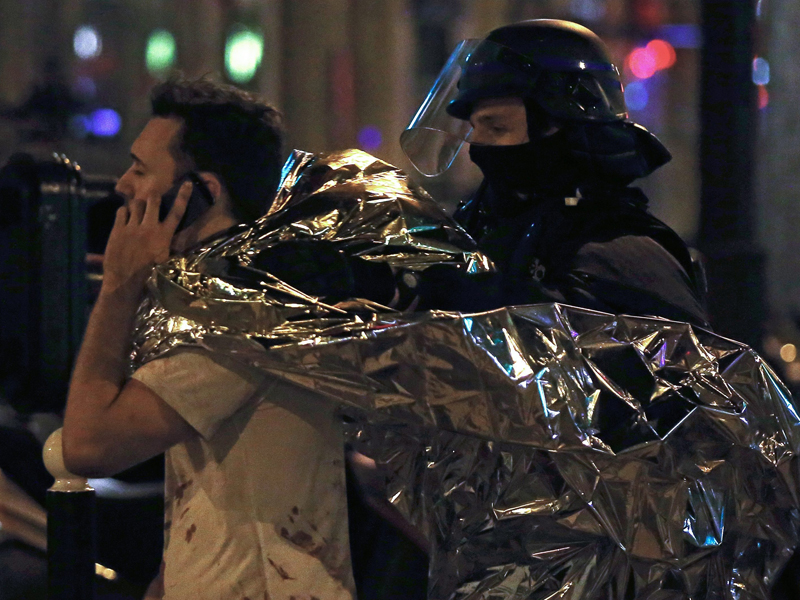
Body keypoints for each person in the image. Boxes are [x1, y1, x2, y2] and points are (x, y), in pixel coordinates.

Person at [61, 77, 358, 599]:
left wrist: (118, 287)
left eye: (141, 169)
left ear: (201, 193)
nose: (123, 186)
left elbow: (88, 446)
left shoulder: (242, 313)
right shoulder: (213, 299)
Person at [403, 19, 709, 328]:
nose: (477, 146)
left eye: (497, 128)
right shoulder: (491, 223)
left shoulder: (625, 252)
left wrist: (459, 295)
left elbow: (569, 329)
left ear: (560, 126)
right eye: (474, 127)